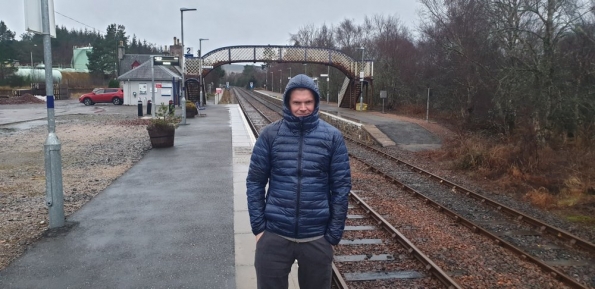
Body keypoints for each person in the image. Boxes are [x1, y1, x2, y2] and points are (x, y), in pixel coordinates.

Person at [246, 74, 352, 289]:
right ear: (287, 103)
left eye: (308, 102)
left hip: (317, 237)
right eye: (297, 102)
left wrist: (332, 236)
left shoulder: (332, 137)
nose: (303, 108)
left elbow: (341, 188)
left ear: (316, 102)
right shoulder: (270, 135)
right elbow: (255, 182)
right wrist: (259, 228)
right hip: (274, 235)